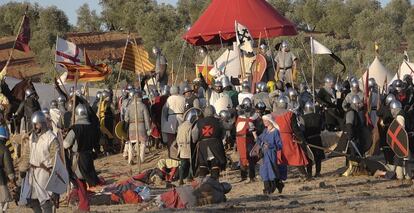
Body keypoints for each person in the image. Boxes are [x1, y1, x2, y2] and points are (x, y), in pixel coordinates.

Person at [19, 111, 60, 213]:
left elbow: (56, 161)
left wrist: (55, 180)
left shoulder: (51, 138)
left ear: (42, 123)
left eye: (36, 124)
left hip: (45, 174)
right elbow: (27, 154)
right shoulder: (31, 137)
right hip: (32, 174)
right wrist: (23, 169)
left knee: (45, 201)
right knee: (32, 200)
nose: (34, 127)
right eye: (33, 124)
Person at [63, 104, 101, 212]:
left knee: (78, 181)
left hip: (78, 158)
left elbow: (66, 144)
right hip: (89, 156)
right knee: (82, 180)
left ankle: (84, 205)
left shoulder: (76, 129)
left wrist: (66, 137)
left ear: (77, 115)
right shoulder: (92, 127)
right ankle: (82, 204)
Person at [273, 96, 309, 178]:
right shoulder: (290, 114)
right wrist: (302, 139)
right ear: (286, 104)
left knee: (279, 158)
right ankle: (304, 174)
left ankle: (277, 177)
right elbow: (295, 129)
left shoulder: (273, 115)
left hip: (277, 139)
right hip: (288, 139)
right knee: (296, 156)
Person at [192, 106, 226, 179]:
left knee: (202, 163)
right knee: (215, 162)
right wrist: (219, 139)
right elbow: (223, 134)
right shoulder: (219, 121)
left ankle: (202, 181)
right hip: (215, 144)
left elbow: (194, 136)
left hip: (203, 145)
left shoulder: (199, 122)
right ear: (213, 112)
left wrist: (196, 140)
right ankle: (214, 180)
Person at [257, 114, 284, 194]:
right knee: (264, 171)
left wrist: (271, 146)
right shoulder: (265, 131)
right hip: (264, 155)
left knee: (272, 171)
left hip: (271, 154)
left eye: (265, 121)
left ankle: (276, 185)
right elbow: (259, 141)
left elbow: (280, 145)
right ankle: (267, 190)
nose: (264, 122)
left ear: (270, 121)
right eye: (263, 121)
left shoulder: (276, 132)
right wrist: (254, 134)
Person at [176, 108, 201, 185]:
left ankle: (181, 179)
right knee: (191, 162)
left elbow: (177, 138)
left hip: (181, 146)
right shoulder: (191, 126)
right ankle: (189, 177)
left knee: (183, 164)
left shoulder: (180, 126)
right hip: (188, 146)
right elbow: (193, 138)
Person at [235, 98, 258, 183]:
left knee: (248, 156)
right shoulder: (242, 117)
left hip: (246, 139)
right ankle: (246, 176)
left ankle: (249, 176)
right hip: (244, 139)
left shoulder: (243, 117)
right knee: (245, 157)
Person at [125, 90, 151, 164]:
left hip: (131, 126)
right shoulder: (143, 106)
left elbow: (126, 118)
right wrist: (148, 128)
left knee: (131, 143)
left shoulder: (129, 106)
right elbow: (146, 118)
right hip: (141, 126)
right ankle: (141, 158)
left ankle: (130, 159)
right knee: (143, 142)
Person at [301, 102, 324, 178]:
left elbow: (302, 130)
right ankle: (318, 172)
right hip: (317, 138)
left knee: (309, 157)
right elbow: (322, 127)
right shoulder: (319, 116)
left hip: (308, 139)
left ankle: (309, 173)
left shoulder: (303, 118)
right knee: (318, 157)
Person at [0, 126, 16, 212]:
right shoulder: (4, 148)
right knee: (3, 200)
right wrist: (12, 179)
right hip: (1, 178)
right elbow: (8, 167)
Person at [98, 90, 115, 154]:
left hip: (102, 121)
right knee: (109, 135)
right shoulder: (109, 103)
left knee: (104, 135)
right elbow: (114, 111)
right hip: (108, 121)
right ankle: (109, 149)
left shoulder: (100, 103)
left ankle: (106, 150)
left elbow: (98, 113)